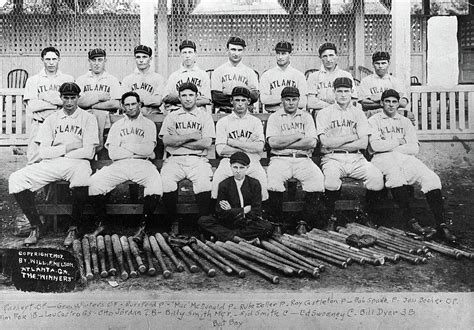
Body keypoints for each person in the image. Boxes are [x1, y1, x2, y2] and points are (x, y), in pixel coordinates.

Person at [9, 82, 99, 246]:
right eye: (66, 98)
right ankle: (36, 226)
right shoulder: (52, 119)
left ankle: (73, 227)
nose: (69, 102)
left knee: (82, 177)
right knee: (16, 179)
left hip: (77, 163)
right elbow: (43, 153)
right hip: (52, 163)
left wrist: (58, 150)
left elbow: (89, 152)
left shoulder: (88, 118)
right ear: (61, 98)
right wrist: (69, 147)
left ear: (78, 98)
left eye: (73, 98)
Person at [368, 89, 456, 242]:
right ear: (381, 103)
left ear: (398, 104)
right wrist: (399, 142)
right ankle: (411, 221)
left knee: (431, 178)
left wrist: (390, 145)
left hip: (405, 156)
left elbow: (414, 148)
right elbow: (375, 146)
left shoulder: (405, 121)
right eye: (387, 101)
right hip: (382, 158)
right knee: (396, 177)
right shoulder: (374, 120)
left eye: (394, 101)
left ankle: (441, 225)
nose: (391, 105)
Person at [88, 91, 162, 241]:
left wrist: (126, 146)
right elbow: (113, 153)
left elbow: (148, 150)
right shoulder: (117, 125)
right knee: (94, 183)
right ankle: (102, 223)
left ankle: (143, 227)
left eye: (133, 104)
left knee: (155, 184)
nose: (130, 107)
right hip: (120, 164)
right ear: (122, 106)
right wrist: (137, 149)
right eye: (127, 105)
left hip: (142, 164)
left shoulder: (148, 124)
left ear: (139, 104)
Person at [316, 77, 384, 231]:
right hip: (332, 157)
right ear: (334, 92)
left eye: (346, 91)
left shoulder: (358, 113)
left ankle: (366, 215)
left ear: (351, 92)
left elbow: (363, 143)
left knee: (377, 179)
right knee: (331, 182)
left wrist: (337, 141)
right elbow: (325, 143)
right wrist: (352, 136)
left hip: (356, 158)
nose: (343, 95)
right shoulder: (324, 113)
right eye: (339, 91)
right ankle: (331, 217)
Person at [265, 87, 325, 233]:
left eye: (294, 100)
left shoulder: (306, 117)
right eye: (287, 99)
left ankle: (303, 222)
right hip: (280, 159)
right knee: (273, 182)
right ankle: (277, 223)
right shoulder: (274, 117)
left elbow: (311, 143)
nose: (291, 103)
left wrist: (284, 142)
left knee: (317, 180)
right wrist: (297, 136)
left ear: (299, 100)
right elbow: (273, 143)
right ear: (282, 100)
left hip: (302, 159)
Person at [159, 82, 215, 234]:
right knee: (166, 182)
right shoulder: (172, 116)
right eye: (184, 95)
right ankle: (173, 222)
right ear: (179, 97)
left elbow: (206, 143)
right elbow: (167, 141)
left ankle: (203, 223)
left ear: (197, 97)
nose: (188, 99)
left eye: (191, 95)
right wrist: (191, 136)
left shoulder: (204, 116)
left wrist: (179, 141)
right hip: (175, 159)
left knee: (204, 183)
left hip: (198, 159)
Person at [198, 152, 274, 243]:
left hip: (247, 222)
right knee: (203, 221)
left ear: (247, 168)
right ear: (230, 167)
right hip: (228, 222)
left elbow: (256, 210)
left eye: (242, 168)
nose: (238, 171)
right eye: (235, 167)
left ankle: (230, 236)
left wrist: (231, 210)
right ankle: (242, 238)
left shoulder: (254, 184)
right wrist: (243, 210)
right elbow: (220, 212)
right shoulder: (224, 184)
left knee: (267, 226)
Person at [212, 86, 268, 202]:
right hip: (229, 161)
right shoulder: (223, 122)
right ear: (231, 101)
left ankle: (260, 214)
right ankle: (219, 213)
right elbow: (221, 150)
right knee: (217, 180)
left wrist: (233, 143)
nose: (240, 104)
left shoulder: (255, 122)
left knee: (262, 180)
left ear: (248, 101)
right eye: (237, 100)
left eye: (243, 100)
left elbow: (259, 147)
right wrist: (247, 146)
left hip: (252, 161)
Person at [24, 47, 74, 164]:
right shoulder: (33, 80)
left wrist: (44, 97)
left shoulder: (67, 79)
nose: (51, 62)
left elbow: (70, 103)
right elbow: (33, 106)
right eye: (48, 59)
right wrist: (56, 103)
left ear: (59, 59)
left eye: (54, 59)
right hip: (40, 124)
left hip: (61, 125)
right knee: (34, 160)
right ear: (42, 60)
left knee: (62, 158)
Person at [76, 48, 121, 151]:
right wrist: (99, 98)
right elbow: (79, 102)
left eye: (100, 60)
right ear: (89, 61)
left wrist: (91, 104)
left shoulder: (112, 80)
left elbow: (115, 104)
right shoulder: (81, 79)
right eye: (93, 60)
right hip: (84, 124)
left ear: (105, 61)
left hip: (107, 125)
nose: (96, 63)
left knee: (104, 155)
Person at [358, 51, 415, 123]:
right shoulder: (366, 81)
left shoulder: (396, 81)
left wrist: (377, 99)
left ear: (389, 64)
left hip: (393, 117)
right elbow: (364, 104)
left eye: (383, 63)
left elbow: (403, 103)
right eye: (377, 63)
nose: (380, 66)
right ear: (373, 64)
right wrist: (390, 103)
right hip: (372, 116)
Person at [211, 36, 259, 112]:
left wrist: (227, 92)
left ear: (243, 51)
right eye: (233, 49)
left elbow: (254, 96)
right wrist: (244, 94)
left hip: (245, 113)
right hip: (224, 112)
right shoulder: (218, 71)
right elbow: (216, 97)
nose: (236, 53)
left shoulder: (250, 72)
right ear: (227, 50)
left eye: (239, 50)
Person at [307, 42, 357, 113]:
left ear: (336, 56)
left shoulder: (346, 75)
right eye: (325, 56)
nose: (328, 59)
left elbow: (353, 100)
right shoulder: (313, 76)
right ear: (320, 58)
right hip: (321, 112)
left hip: (343, 112)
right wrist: (331, 107)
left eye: (331, 55)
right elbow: (311, 102)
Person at [162, 40, 211, 112]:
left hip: (198, 113)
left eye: (190, 52)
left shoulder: (203, 75)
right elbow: (166, 98)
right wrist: (194, 99)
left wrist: (178, 100)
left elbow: (207, 100)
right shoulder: (174, 76)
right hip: (178, 114)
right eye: (184, 53)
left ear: (195, 54)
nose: (187, 56)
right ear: (180, 55)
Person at [260, 41, 308, 113]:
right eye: (278, 53)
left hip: (294, 115)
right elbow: (264, 99)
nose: (280, 57)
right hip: (273, 114)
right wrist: (289, 100)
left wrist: (276, 103)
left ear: (290, 55)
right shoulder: (267, 75)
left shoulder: (299, 75)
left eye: (283, 54)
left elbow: (303, 102)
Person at [122, 45, 165, 115]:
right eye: (138, 57)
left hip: (152, 116)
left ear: (150, 59)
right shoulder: (127, 79)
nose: (141, 60)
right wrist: (148, 100)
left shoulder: (158, 78)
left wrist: (136, 101)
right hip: (132, 117)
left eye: (144, 57)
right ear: (134, 59)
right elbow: (124, 101)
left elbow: (158, 101)